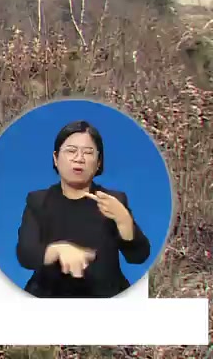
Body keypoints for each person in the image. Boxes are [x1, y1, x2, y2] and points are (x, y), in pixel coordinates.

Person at [15, 119, 152, 297]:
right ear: (56, 158)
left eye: (88, 152)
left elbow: (138, 257)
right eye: (71, 151)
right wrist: (58, 250)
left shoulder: (113, 201)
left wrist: (124, 221)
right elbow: (26, 254)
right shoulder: (38, 201)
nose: (79, 159)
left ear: (99, 162)